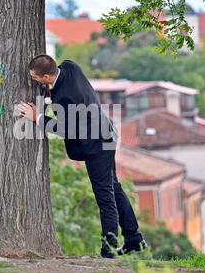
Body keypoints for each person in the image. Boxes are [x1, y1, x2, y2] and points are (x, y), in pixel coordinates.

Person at [17, 55, 147, 258]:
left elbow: (67, 129)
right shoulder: (69, 66)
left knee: (105, 196)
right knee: (114, 188)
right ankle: (134, 239)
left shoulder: (67, 97)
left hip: (96, 144)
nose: (32, 80)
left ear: (45, 76)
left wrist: (38, 117)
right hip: (106, 132)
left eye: (35, 77)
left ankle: (109, 249)